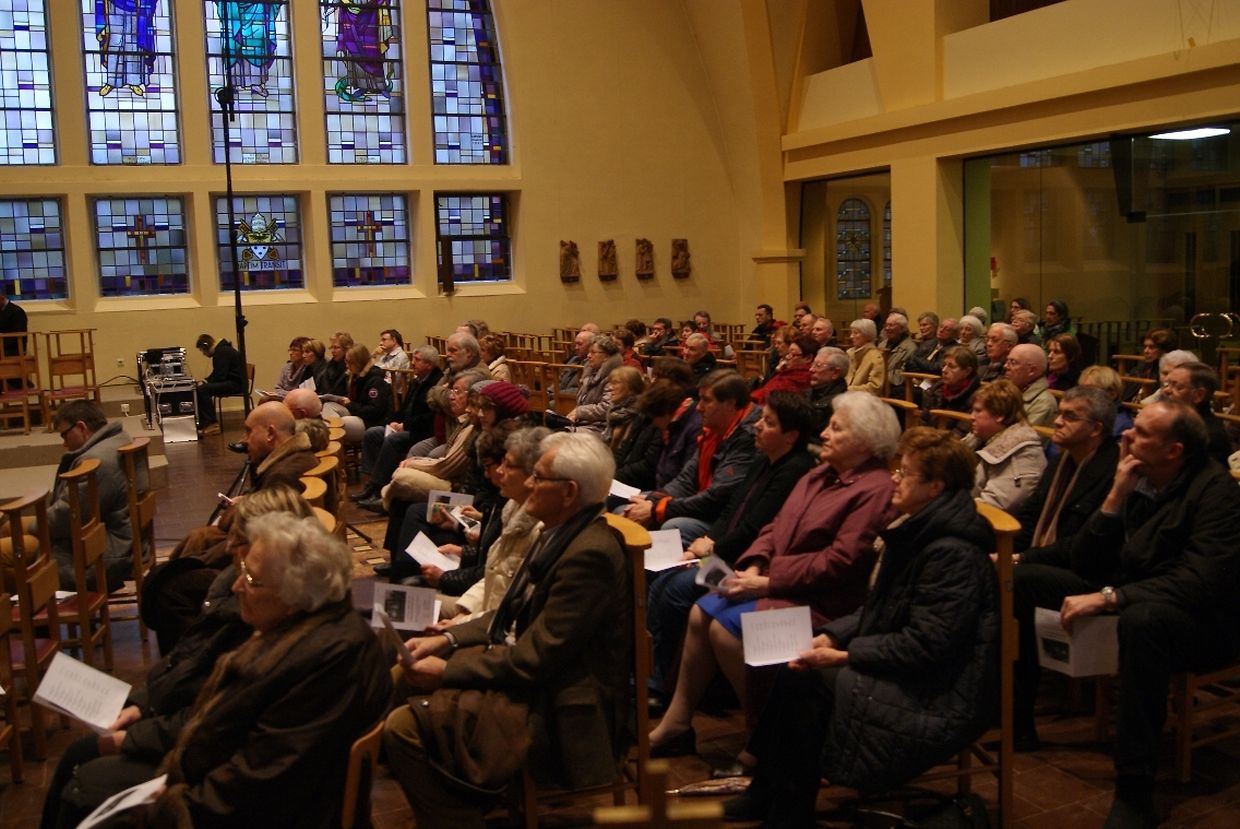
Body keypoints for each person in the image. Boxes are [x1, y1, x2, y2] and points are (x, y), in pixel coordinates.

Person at [722, 427, 998, 825]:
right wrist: (831, 635)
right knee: (795, 666)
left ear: (935, 487)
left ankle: (788, 812)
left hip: (937, 692)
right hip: (909, 667)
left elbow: (928, 645)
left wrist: (844, 656)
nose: (895, 480)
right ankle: (766, 792)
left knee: (812, 681)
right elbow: (879, 610)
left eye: (905, 473)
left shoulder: (952, 553)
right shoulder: (920, 530)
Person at [383, 432, 631, 829]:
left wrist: (447, 670)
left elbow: (537, 659)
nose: (529, 482)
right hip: (529, 678)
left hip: (558, 708)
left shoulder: (589, 554)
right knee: (403, 675)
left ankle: (459, 816)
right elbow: (508, 612)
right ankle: (449, 793)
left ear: (569, 492)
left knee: (403, 730)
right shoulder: (558, 530)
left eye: (539, 477)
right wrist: (446, 639)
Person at [1012, 401, 1240, 828]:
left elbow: (1200, 582)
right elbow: (1086, 561)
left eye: (1141, 433)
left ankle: (1135, 791)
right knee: (1025, 581)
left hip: (1202, 621)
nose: (1127, 436)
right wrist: (1115, 497)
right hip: (1135, 594)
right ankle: (1017, 720)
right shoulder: (1138, 478)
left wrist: (1112, 598)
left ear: (1173, 451)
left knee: (1143, 623)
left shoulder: (1218, 493)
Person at [41, 489, 316, 829]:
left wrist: (136, 735)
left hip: (195, 754)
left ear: (270, 548)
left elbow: (217, 722)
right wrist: (142, 705)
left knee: (84, 775)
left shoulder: (263, 614)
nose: (229, 548)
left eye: (239, 541)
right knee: (81, 759)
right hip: (179, 722)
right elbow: (186, 662)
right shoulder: (235, 590)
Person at [647, 392, 898, 757]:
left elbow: (842, 561)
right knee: (702, 611)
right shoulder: (820, 475)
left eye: (836, 428)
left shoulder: (875, 490)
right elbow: (775, 526)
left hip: (824, 602)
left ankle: (766, 739)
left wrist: (768, 580)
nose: (824, 434)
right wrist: (753, 564)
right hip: (781, 583)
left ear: (864, 442)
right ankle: (677, 722)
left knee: (728, 630)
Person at [144, 511, 391, 827]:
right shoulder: (297, 631)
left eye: (250, 579)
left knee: (93, 785)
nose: (236, 586)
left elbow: (261, 779)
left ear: (293, 597)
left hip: (240, 811)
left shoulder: (327, 659)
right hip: (211, 781)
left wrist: (172, 807)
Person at [645, 392, 818, 704]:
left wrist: (710, 552)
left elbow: (754, 530)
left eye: (768, 422)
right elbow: (731, 512)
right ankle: (650, 666)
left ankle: (662, 683)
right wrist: (703, 544)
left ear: (791, 436)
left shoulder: (795, 470)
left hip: (744, 561)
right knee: (661, 575)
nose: (757, 426)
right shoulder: (763, 458)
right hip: (725, 548)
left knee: (675, 588)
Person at [1, 401, 137, 591]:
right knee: (9, 527)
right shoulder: (117, 440)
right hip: (108, 534)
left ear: (81, 427)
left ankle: (33, 606)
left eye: (64, 435)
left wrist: (36, 528)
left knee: (3, 553)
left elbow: (67, 518)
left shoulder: (96, 461)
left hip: (100, 552)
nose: (64, 444)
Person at [623, 371, 759, 546]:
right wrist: (654, 500)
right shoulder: (713, 427)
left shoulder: (749, 436)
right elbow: (686, 480)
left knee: (674, 527)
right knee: (629, 506)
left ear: (730, 404)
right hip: (699, 504)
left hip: (722, 519)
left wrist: (657, 509)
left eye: (706, 400)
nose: (699, 407)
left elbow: (716, 498)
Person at [439, 427, 548, 624]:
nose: (498, 472)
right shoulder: (511, 508)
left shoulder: (541, 529)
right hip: (482, 609)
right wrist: (465, 611)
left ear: (532, 476)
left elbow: (512, 608)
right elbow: (494, 574)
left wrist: (459, 625)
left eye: (508, 465)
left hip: (493, 624)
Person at [1013, 386, 1119, 559]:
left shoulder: (1113, 472)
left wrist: (1023, 558)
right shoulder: (1060, 461)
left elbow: (1082, 543)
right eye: (1059, 413)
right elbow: (1030, 514)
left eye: (1069, 417)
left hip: (1077, 565)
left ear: (1096, 429)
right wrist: (1006, 550)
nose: (1057, 421)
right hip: (1041, 555)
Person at [355, 345, 444, 503]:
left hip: (421, 431)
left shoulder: (436, 384)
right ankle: (371, 484)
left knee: (393, 440)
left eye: (417, 360)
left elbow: (430, 417)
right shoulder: (417, 380)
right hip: (406, 426)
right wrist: (393, 421)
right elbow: (404, 408)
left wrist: (405, 425)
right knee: (372, 433)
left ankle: (378, 487)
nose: (412, 363)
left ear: (429, 365)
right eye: (413, 358)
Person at [965, 380, 1046, 513]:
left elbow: (993, 506)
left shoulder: (1023, 454)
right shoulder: (978, 438)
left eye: (978, 411)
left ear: (999, 415)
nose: (971, 417)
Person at [1160, 361, 1233, 465]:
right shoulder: (1172, 419)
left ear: (1199, 395)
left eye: (1178, 387)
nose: (1166, 390)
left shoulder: (1210, 436)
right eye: (1167, 384)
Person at [93, 0, 157, 96]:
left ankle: (134, 81)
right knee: (115, 42)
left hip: (136, 7)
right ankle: (112, 81)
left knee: (133, 43)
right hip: (114, 5)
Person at [567, 334, 623, 435]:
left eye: (593, 352)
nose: (588, 355)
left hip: (601, 428)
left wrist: (580, 412)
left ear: (606, 356)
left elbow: (607, 407)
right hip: (584, 424)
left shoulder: (613, 377)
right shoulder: (591, 373)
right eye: (589, 352)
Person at [193, 333, 245, 435]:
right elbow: (218, 373)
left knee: (202, 390)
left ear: (206, 346)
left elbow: (220, 376)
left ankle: (212, 424)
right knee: (202, 387)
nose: (203, 354)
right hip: (235, 382)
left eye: (202, 350)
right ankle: (205, 423)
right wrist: (205, 381)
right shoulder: (222, 350)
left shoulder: (221, 352)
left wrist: (205, 383)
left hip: (235, 384)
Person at [1003, 342, 1058, 427]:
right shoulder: (1009, 389)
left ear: (1031, 370)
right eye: (1007, 361)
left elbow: (1021, 433)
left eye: (1013, 362)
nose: (1005, 366)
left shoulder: (1043, 404)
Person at [751, 334, 814, 404]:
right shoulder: (788, 371)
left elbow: (771, 395)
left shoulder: (802, 377)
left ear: (808, 358)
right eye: (788, 353)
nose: (787, 357)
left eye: (793, 354)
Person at [807, 346, 848, 433]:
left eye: (818, 366)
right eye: (812, 364)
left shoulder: (836, 406)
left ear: (835, 373)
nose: (811, 369)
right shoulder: (809, 392)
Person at [257, 336, 310, 402]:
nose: (290, 353)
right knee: (265, 399)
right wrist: (281, 394)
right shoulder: (286, 367)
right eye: (290, 350)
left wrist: (282, 393)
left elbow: (301, 393)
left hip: (298, 400)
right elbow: (277, 388)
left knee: (266, 399)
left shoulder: (307, 369)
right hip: (283, 397)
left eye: (295, 350)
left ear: (304, 352)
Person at [879, 312, 917, 392]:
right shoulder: (882, 345)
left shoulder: (910, 349)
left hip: (893, 388)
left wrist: (879, 375)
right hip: (878, 384)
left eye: (891, 325)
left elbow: (900, 378)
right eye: (886, 325)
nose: (887, 328)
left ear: (902, 328)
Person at [844, 318, 883, 394]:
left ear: (867, 335)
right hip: (845, 395)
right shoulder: (850, 354)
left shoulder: (876, 357)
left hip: (863, 398)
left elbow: (875, 387)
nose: (851, 336)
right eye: (851, 333)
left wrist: (848, 390)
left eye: (855, 333)